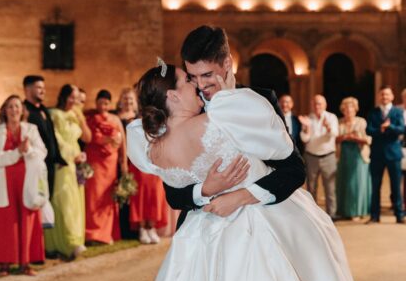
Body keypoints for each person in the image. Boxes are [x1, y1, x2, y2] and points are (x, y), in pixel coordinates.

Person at [124, 62, 384, 281]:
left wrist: (205, 190)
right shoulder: (221, 117)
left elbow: (176, 189)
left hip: (205, 235)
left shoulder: (152, 144)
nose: (198, 86)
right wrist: (209, 188)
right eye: (188, 80)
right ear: (172, 94)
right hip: (257, 228)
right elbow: (281, 159)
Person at [161, 26, 306, 231]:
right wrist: (204, 190)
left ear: (227, 62)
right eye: (192, 77)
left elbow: (294, 171)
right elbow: (173, 195)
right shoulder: (185, 109)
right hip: (202, 230)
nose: (200, 85)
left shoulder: (261, 99)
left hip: (261, 224)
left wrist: (240, 198)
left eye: (207, 74)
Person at [0, 95, 47, 276]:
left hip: (27, 182)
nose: (14, 110)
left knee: (27, 220)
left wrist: (27, 150)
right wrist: (17, 152)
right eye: (10, 107)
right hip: (5, 183)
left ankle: (25, 263)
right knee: (5, 222)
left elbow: (42, 152)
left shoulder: (31, 129)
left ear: (22, 110)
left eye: (17, 106)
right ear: (5, 110)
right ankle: (4, 263)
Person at [45, 84, 92, 259]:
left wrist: (81, 118)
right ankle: (65, 242)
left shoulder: (74, 114)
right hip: (62, 162)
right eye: (72, 97)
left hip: (76, 162)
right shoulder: (53, 114)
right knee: (64, 201)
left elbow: (87, 137)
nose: (74, 101)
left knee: (75, 201)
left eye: (77, 98)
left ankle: (75, 240)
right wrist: (72, 155)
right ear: (63, 96)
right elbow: (55, 139)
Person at [118, 87, 169, 244]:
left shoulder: (148, 117)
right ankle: (141, 227)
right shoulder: (125, 120)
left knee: (154, 194)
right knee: (139, 195)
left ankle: (151, 226)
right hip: (135, 160)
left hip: (151, 160)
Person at [84, 90, 126, 244]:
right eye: (100, 102)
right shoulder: (90, 118)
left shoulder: (115, 119)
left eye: (106, 103)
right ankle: (91, 233)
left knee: (107, 197)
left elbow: (122, 143)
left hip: (110, 162)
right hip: (94, 161)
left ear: (110, 104)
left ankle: (105, 233)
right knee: (93, 196)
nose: (103, 106)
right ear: (96, 102)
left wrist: (124, 163)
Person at [23, 75, 66, 200]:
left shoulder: (44, 110)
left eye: (44, 88)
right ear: (27, 89)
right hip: (34, 164)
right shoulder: (24, 111)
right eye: (39, 87)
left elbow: (51, 135)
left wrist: (58, 157)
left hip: (50, 164)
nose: (43, 91)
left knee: (48, 199)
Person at [366, 86, 405, 224]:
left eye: (387, 94)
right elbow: (369, 130)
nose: (384, 97)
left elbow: (402, 129)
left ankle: (400, 215)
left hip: (394, 154)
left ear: (392, 96)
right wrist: (381, 129)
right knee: (375, 186)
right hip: (376, 154)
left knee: (396, 186)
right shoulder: (373, 112)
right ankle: (374, 216)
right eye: (382, 94)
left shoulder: (398, 111)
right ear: (379, 97)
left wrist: (390, 127)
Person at [300, 94, 339, 218]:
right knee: (311, 187)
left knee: (330, 188)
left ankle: (331, 214)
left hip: (328, 156)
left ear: (325, 105)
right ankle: (314, 215)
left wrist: (328, 127)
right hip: (311, 156)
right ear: (312, 105)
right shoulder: (308, 119)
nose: (317, 106)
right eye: (315, 103)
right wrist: (306, 128)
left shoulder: (331, 117)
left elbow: (334, 134)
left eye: (320, 103)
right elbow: (305, 139)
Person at [336, 97, 372, 220]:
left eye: (351, 108)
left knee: (357, 183)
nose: (348, 111)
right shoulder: (339, 122)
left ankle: (359, 211)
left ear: (355, 110)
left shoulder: (361, 122)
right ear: (343, 110)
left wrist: (353, 138)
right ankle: (345, 211)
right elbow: (335, 139)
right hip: (343, 156)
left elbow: (367, 139)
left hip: (358, 155)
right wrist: (346, 136)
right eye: (346, 109)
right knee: (345, 183)